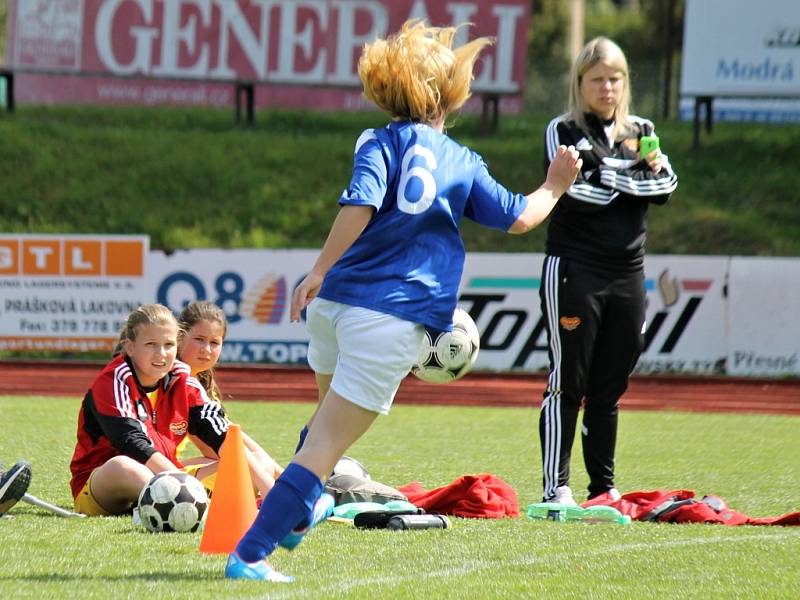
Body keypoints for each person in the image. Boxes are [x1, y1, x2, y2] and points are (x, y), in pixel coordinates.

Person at [225, 20, 581, 582]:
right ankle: (250, 554)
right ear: (448, 97)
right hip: (390, 318)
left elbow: (358, 204)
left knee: (323, 430)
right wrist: (556, 184)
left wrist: (318, 271)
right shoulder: (462, 161)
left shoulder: (374, 139)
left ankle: (299, 514)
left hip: (335, 307)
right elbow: (520, 217)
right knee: (323, 449)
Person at [537, 37, 678, 505]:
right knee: (568, 381)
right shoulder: (562, 130)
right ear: (580, 84)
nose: (606, 87)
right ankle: (557, 489)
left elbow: (667, 184)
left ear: (626, 83)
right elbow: (578, 194)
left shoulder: (643, 128)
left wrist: (612, 173)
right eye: (596, 79)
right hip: (574, 270)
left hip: (628, 273)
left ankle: (603, 489)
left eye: (614, 78)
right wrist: (634, 176)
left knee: (610, 386)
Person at [68, 303, 275, 516]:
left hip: (169, 474)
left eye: (168, 345)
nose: (161, 354)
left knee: (257, 464)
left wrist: (271, 490)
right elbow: (133, 444)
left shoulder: (183, 379)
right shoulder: (115, 380)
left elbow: (221, 433)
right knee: (123, 466)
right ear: (130, 347)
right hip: (104, 485)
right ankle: (200, 507)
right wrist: (183, 486)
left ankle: (183, 503)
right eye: (151, 344)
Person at [176, 300, 283, 491]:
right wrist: (272, 485)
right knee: (255, 466)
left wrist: (283, 478)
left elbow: (230, 439)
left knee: (256, 462)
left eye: (214, 342)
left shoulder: (200, 383)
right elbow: (218, 448)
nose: (206, 349)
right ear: (180, 337)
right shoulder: (178, 380)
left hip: (167, 465)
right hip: (157, 468)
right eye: (199, 339)